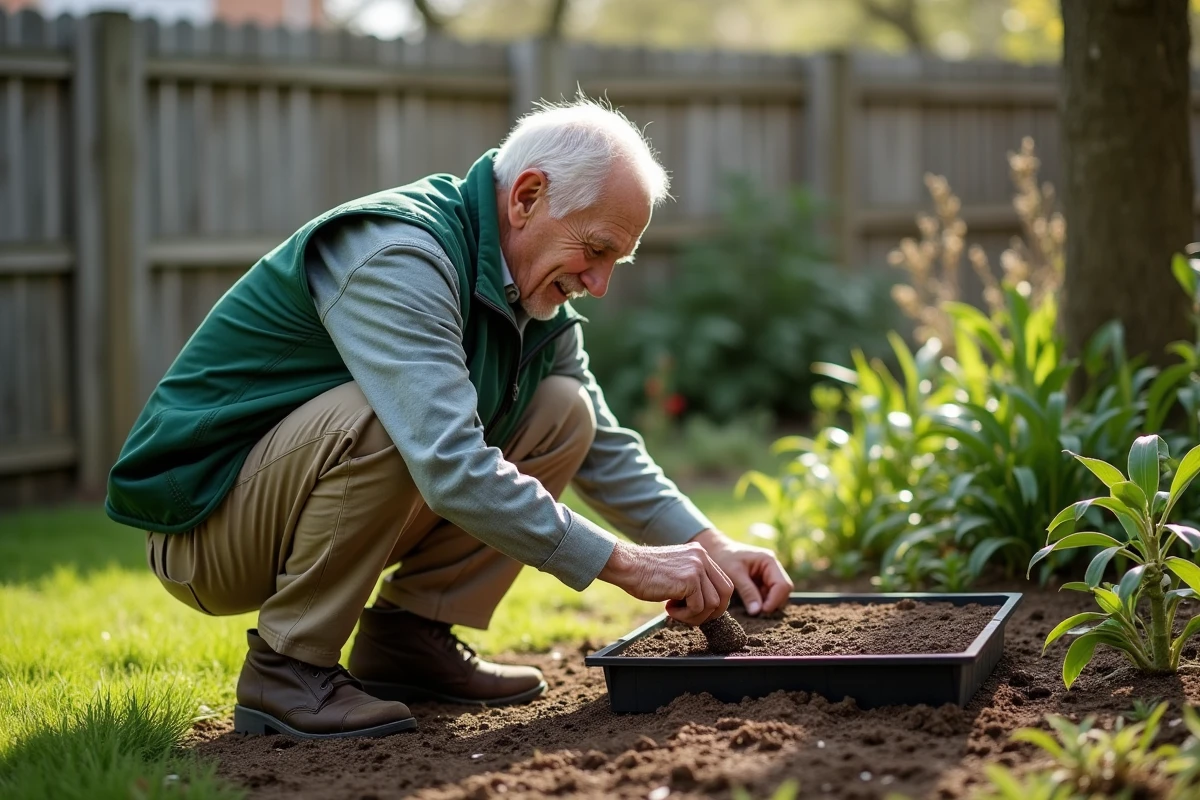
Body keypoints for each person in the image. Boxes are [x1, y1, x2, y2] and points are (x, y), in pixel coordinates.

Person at [105, 96, 793, 740]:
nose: (601, 282)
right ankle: (288, 668)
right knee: (384, 417)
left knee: (565, 413)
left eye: (618, 259)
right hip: (208, 527)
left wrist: (711, 547)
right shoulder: (400, 253)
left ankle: (411, 638)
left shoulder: (531, 301)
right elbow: (448, 464)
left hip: (293, 503)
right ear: (527, 198)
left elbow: (603, 447)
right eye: (597, 249)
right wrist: (624, 563)